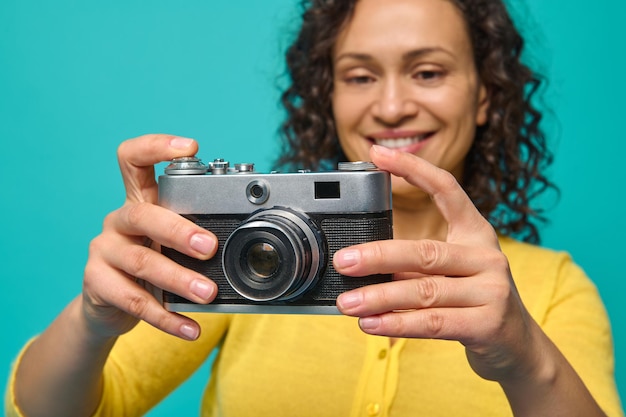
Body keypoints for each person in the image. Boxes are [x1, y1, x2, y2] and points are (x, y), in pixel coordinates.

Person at [5, 0, 624, 416]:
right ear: (326, 95)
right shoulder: (248, 255)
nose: (390, 107)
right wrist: (93, 320)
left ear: (486, 95)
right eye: (358, 76)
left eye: (428, 72)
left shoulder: (551, 289)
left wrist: (523, 354)